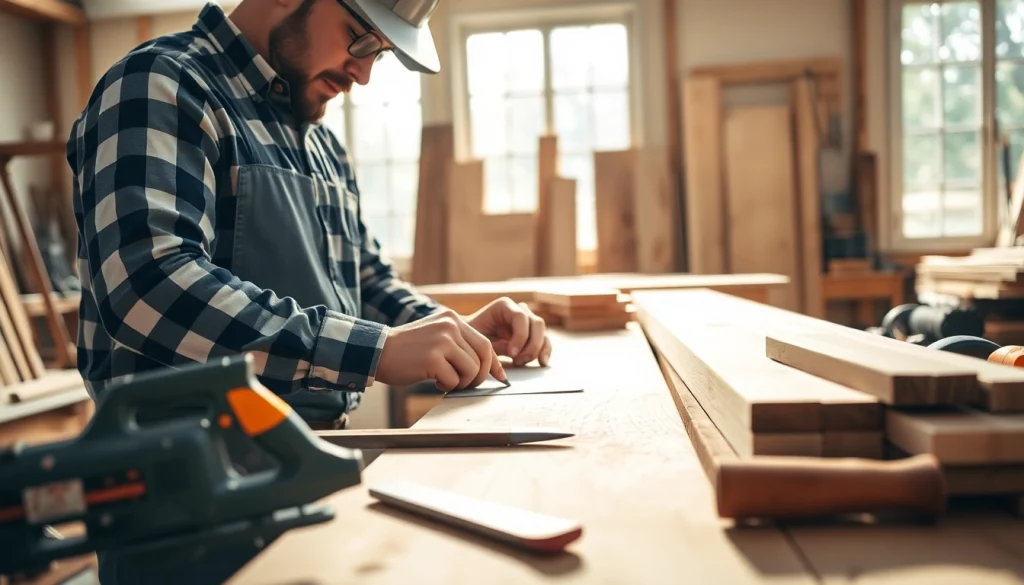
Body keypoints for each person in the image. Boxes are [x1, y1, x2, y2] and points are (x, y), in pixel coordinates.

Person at [65, 0, 551, 582]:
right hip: (187, 506)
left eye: (382, 52)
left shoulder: (322, 146)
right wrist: (373, 351)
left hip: (312, 474)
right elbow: (149, 286)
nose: (365, 71)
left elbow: (365, 279)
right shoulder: (160, 85)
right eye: (359, 37)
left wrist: (457, 330)